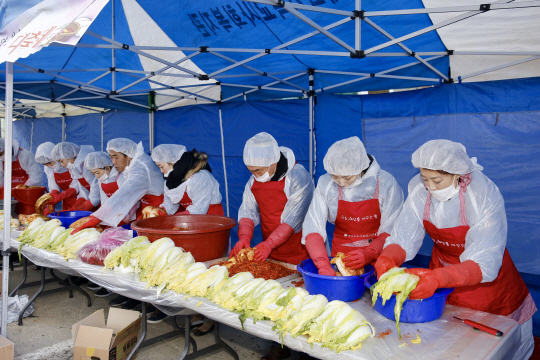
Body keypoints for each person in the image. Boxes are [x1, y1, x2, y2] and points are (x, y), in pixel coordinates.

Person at [375, 139, 536, 360]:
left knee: (496, 348)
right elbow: (404, 236)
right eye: (424, 179)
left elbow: (484, 260)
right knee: (454, 346)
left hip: (488, 285)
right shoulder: (419, 191)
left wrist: (439, 278)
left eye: (437, 180)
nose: (430, 187)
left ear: (457, 174)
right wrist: (388, 257)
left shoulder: (482, 193)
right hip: (442, 275)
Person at [231, 132, 314, 360]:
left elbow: (292, 220)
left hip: (299, 246)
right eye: (251, 171)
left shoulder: (298, 176)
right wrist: (245, 236)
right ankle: (279, 345)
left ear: (273, 162)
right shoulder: (255, 178)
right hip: (271, 245)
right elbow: (247, 210)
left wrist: (269, 244)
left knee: (301, 300)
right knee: (276, 300)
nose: (254, 175)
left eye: (258, 171)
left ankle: (306, 350)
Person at [72, 139, 164, 313]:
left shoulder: (141, 168)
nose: (113, 162)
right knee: (138, 259)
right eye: (110, 158)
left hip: (158, 215)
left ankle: (156, 303)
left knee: (153, 259)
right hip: (144, 215)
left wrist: (95, 218)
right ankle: (136, 297)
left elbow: (124, 194)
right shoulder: (131, 167)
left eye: (116, 157)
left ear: (128, 155)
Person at [302, 137, 404, 275]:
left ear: (360, 168)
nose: (342, 183)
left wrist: (370, 253)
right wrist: (322, 264)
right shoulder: (325, 184)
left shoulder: (385, 183)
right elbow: (313, 226)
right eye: (335, 177)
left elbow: (393, 228)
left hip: (378, 256)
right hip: (340, 256)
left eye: (347, 177)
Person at [151, 144, 224, 216]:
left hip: (212, 219)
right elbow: (171, 202)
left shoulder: (200, 177)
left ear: (172, 162)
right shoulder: (171, 181)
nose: (161, 171)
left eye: (161, 166)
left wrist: (177, 218)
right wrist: (161, 211)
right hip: (191, 220)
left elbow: (199, 209)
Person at [48, 142, 99, 213]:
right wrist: (75, 207)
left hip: (102, 205)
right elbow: (84, 193)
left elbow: (96, 196)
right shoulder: (76, 169)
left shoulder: (88, 168)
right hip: (92, 204)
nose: (62, 165)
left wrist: (79, 208)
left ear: (69, 156)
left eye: (62, 161)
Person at [35, 142, 77, 210]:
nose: (49, 166)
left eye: (50, 162)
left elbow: (77, 185)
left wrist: (62, 195)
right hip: (67, 200)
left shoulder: (70, 163)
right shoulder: (49, 169)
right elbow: (53, 186)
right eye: (45, 164)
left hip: (81, 198)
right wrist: (51, 201)